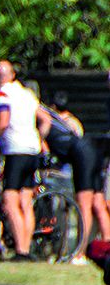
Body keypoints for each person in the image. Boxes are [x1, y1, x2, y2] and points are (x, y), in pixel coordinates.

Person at [39, 93, 107, 258]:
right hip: (90, 148)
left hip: (80, 153)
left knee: (84, 204)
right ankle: (106, 247)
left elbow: (45, 124)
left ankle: (79, 253)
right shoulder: (54, 116)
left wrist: (39, 141)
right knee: (98, 203)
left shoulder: (40, 114)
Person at [0, 60, 42, 259]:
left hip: (15, 150)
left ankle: (20, 250)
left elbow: (2, 123)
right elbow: (44, 119)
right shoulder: (28, 94)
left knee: (10, 201)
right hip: (32, 149)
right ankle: (27, 248)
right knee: (25, 202)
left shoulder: (3, 93)